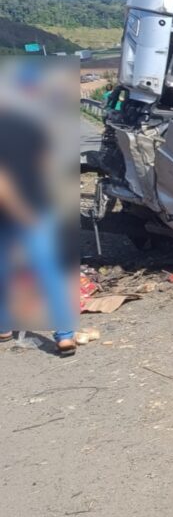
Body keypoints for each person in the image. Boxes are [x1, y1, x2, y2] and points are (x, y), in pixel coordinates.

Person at [0, 107, 75, 356]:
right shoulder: (28, 123)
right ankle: (65, 334)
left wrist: (23, 212)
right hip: (39, 205)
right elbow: (45, 163)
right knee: (49, 270)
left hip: (16, 213)